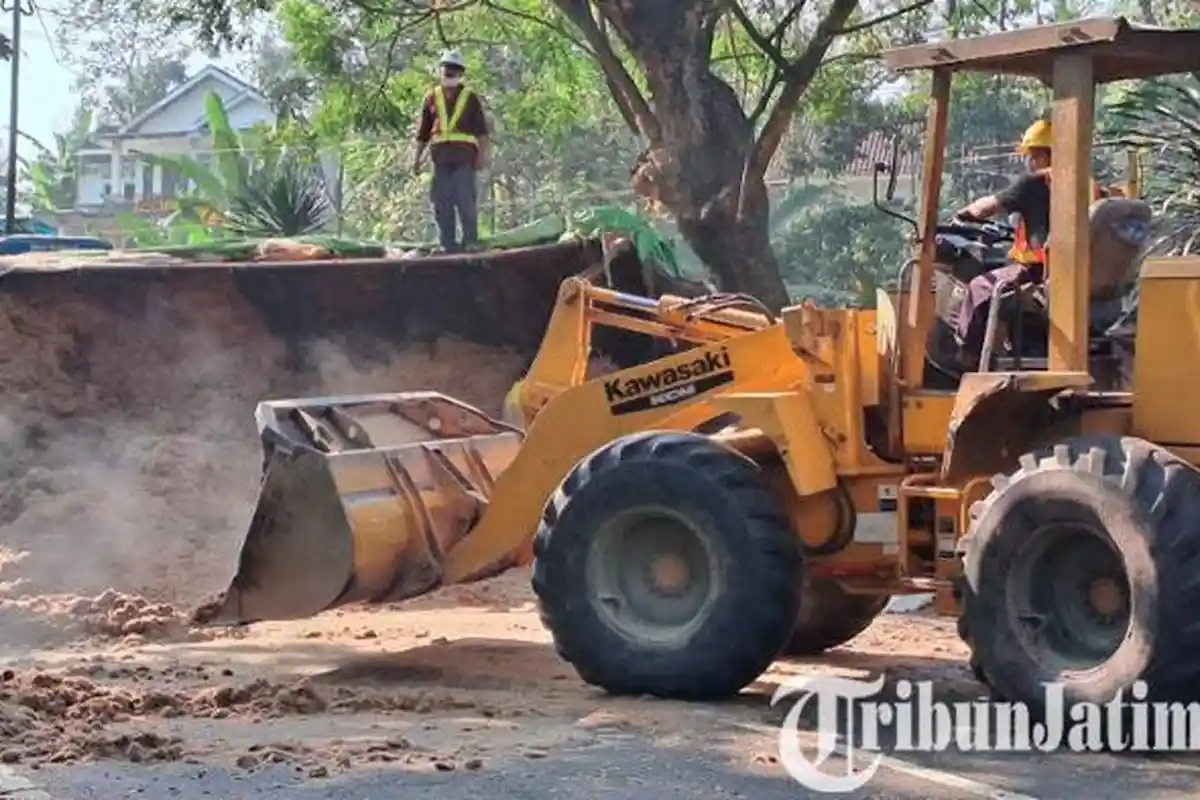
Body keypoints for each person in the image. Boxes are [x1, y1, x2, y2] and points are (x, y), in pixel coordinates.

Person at [950, 118, 1107, 367]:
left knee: (979, 287)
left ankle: (965, 358)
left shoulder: (1036, 182)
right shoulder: (1091, 186)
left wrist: (964, 213)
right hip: (1080, 277)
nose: (1030, 163)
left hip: (1039, 274)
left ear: (1049, 155)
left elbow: (985, 208)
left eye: (1033, 155)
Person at [412, 50, 490, 253]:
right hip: (440, 159)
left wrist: (482, 156)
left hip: (464, 158)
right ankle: (447, 244)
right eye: (447, 69)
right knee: (441, 202)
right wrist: (417, 158)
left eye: (454, 70)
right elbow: (423, 132)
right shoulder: (431, 97)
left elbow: (482, 132)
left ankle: (471, 241)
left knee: (465, 200)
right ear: (441, 71)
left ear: (461, 74)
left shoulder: (470, 98)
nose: (450, 74)